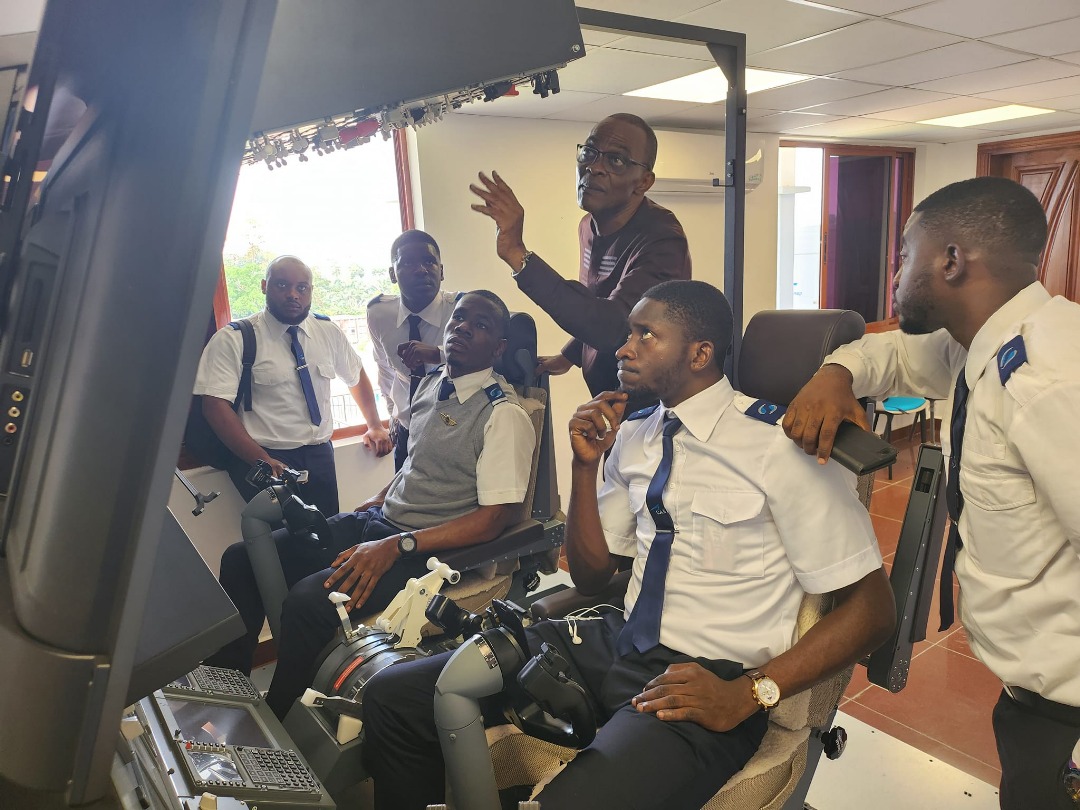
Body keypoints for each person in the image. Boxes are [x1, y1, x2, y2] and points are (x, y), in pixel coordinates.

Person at [361, 280, 894, 810]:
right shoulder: (635, 435)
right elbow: (592, 576)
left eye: (645, 335)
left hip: (707, 678)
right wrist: (584, 467)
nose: (623, 348)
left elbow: (873, 611)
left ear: (700, 354)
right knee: (395, 697)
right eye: (628, 333)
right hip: (619, 641)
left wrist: (752, 691)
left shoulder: (782, 446)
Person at [781, 176, 1080, 810]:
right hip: (1036, 694)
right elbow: (891, 354)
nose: (895, 275)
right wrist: (836, 372)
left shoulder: (1049, 378)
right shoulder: (983, 344)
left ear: (950, 261)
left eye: (904, 255)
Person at [205, 290, 537, 719]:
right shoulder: (433, 384)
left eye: (481, 325)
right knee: (242, 559)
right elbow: (418, 467)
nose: (463, 329)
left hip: (428, 552)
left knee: (308, 602)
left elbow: (494, 519)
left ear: (499, 348)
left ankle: (281, 720)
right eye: (458, 319)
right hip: (381, 522)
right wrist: (376, 501)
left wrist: (398, 546)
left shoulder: (504, 415)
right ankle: (223, 690)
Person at [470, 113, 691, 398]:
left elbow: (615, 327)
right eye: (589, 152)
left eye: (616, 160)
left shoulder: (662, 240)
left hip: (649, 404)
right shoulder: (588, 226)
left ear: (643, 182)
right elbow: (597, 301)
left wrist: (518, 254)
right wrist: (570, 356)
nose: (594, 167)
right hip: (607, 394)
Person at [193, 255, 392, 516]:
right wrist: (263, 460)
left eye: (302, 287)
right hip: (265, 457)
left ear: (311, 291)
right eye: (282, 285)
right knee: (278, 537)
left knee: (327, 529)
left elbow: (354, 375)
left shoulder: (327, 331)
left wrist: (375, 425)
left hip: (320, 454)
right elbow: (214, 406)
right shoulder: (235, 339)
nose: (293, 294)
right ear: (264, 286)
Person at [367, 230, 460, 471]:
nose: (421, 270)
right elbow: (385, 369)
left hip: (453, 432)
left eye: (429, 262)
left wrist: (438, 354)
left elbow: (488, 358)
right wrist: (393, 414)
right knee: (402, 495)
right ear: (392, 274)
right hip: (407, 433)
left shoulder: (461, 310)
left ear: (441, 271)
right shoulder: (378, 313)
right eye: (408, 263)